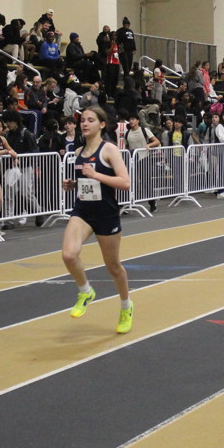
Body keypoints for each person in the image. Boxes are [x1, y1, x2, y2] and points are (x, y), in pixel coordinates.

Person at [62, 106, 134, 334]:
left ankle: (126, 307)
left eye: (90, 120)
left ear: (102, 124)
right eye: (82, 120)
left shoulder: (109, 150)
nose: (84, 124)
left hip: (106, 214)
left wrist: (96, 175)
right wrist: (73, 184)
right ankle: (85, 291)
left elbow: (125, 182)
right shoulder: (78, 151)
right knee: (69, 255)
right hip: (83, 211)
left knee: (113, 267)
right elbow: (87, 182)